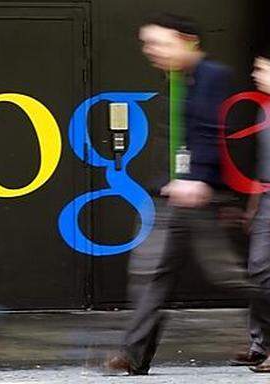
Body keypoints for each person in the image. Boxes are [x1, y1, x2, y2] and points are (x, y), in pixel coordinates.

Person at [106, 13, 262, 375]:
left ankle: (265, 338)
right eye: (147, 44)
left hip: (199, 195)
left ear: (186, 40)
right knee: (149, 273)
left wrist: (198, 177)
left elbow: (210, 131)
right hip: (169, 195)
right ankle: (134, 356)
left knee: (228, 275)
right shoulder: (177, 78)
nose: (150, 51)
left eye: (158, 42)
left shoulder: (212, 75)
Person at [230, 48, 270, 372]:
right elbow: (262, 165)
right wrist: (253, 206)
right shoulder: (263, 110)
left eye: (263, 69)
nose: (256, 75)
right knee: (258, 270)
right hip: (267, 198)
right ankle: (260, 344)